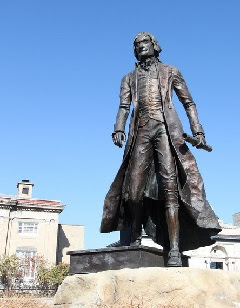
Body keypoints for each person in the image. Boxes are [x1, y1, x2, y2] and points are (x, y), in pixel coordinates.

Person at [100, 32, 221, 266]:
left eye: (144, 43)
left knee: (170, 189)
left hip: (166, 131)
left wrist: (198, 132)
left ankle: (174, 249)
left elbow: (188, 102)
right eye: (135, 45)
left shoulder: (171, 71)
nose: (139, 47)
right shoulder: (129, 78)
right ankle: (134, 235)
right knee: (133, 192)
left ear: (155, 46)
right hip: (141, 132)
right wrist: (118, 128)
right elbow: (124, 106)